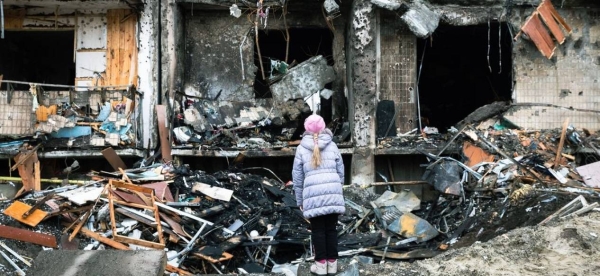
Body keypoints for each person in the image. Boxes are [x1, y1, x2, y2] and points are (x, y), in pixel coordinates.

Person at [292, 114, 345, 275]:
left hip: (312, 194)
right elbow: (341, 171)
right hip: (333, 192)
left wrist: (300, 199)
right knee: (331, 229)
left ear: (306, 129)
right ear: (323, 128)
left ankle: (321, 266)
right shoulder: (333, 145)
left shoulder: (301, 148)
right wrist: (337, 189)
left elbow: (297, 177)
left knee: (318, 231)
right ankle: (332, 264)